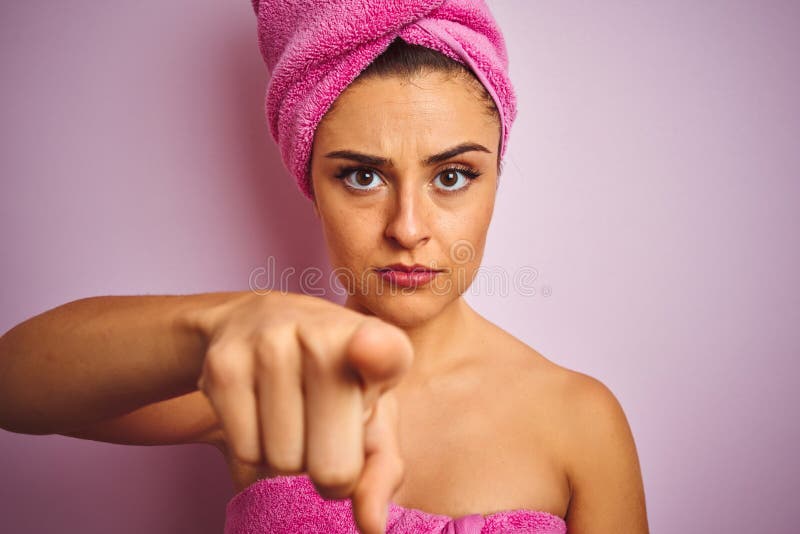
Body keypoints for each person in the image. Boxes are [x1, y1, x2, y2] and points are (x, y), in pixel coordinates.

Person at [0, 1, 649, 533]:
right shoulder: (256, 374)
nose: (409, 228)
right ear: (309, 181)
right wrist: (222, 323)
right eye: (362, 176)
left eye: (453, 176)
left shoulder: (580, 419)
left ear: (495, 178)